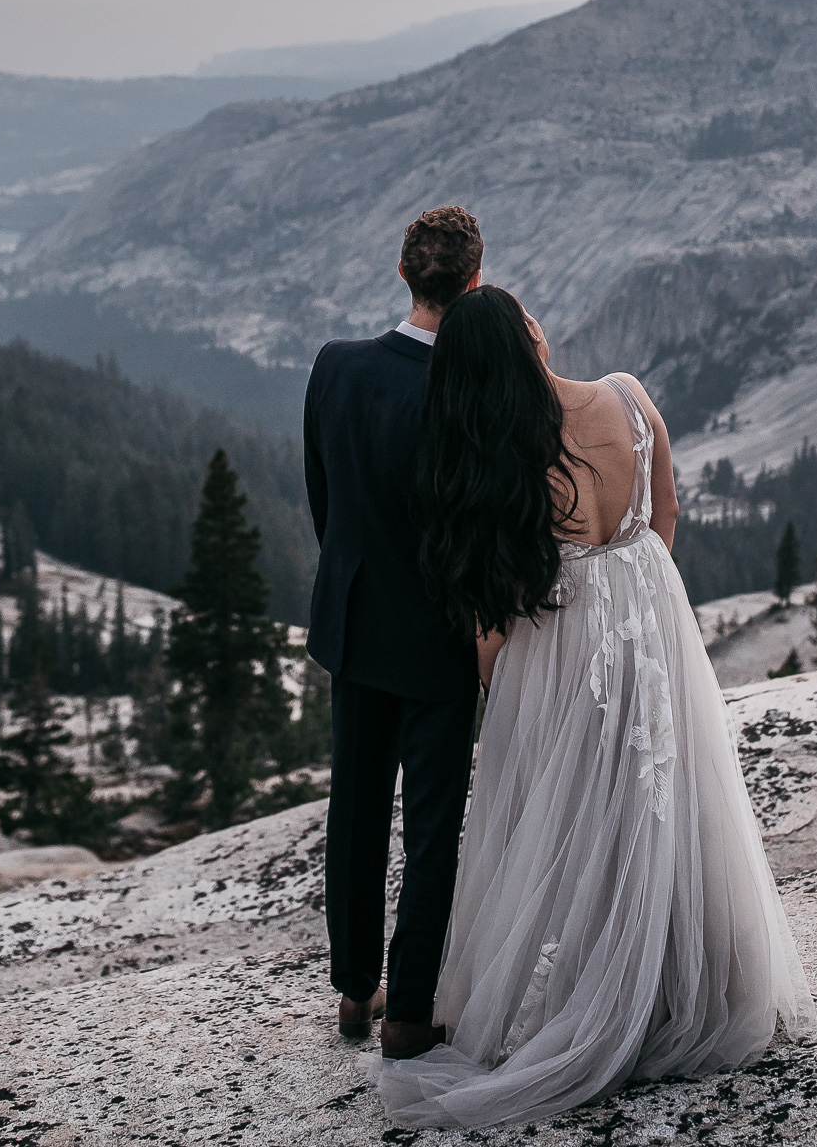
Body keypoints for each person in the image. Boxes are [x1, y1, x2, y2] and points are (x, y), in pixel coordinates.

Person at [380, 285, 817, 1128]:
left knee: (577, 812)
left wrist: (496, 680)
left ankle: (596, 991)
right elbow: (668, 514)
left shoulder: (507, 452)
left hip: (567, 636)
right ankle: (682, 982)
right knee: (670, 801)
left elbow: (498, 612)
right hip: (653, 606)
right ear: (532, 335)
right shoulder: (628, 395)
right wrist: (638, 595)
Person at [303, 205, 483, 1059]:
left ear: (403, 274)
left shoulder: (334, 369)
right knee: (433, 826)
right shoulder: (466, 395)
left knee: (357, 808)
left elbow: (324, 503)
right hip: (439, 639)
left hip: (354, 622)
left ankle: (351, 989)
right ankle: (409, 1012)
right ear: (474, 283)